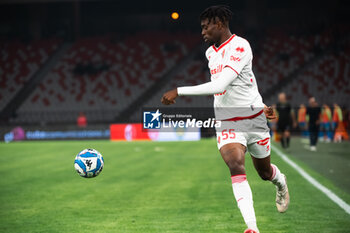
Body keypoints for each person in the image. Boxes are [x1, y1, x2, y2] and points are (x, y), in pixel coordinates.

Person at [161, 6, 289, 233]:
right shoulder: (210, 53)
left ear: (219, 24)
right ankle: (252, 228)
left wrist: (178, 91)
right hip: (227, 121)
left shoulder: (241, 46)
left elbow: (222, 85)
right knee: (235, 165)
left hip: (253, 120)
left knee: (264, 172)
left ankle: (281, 183)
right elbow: (237, 86)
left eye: (205, 26)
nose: (202, 32)